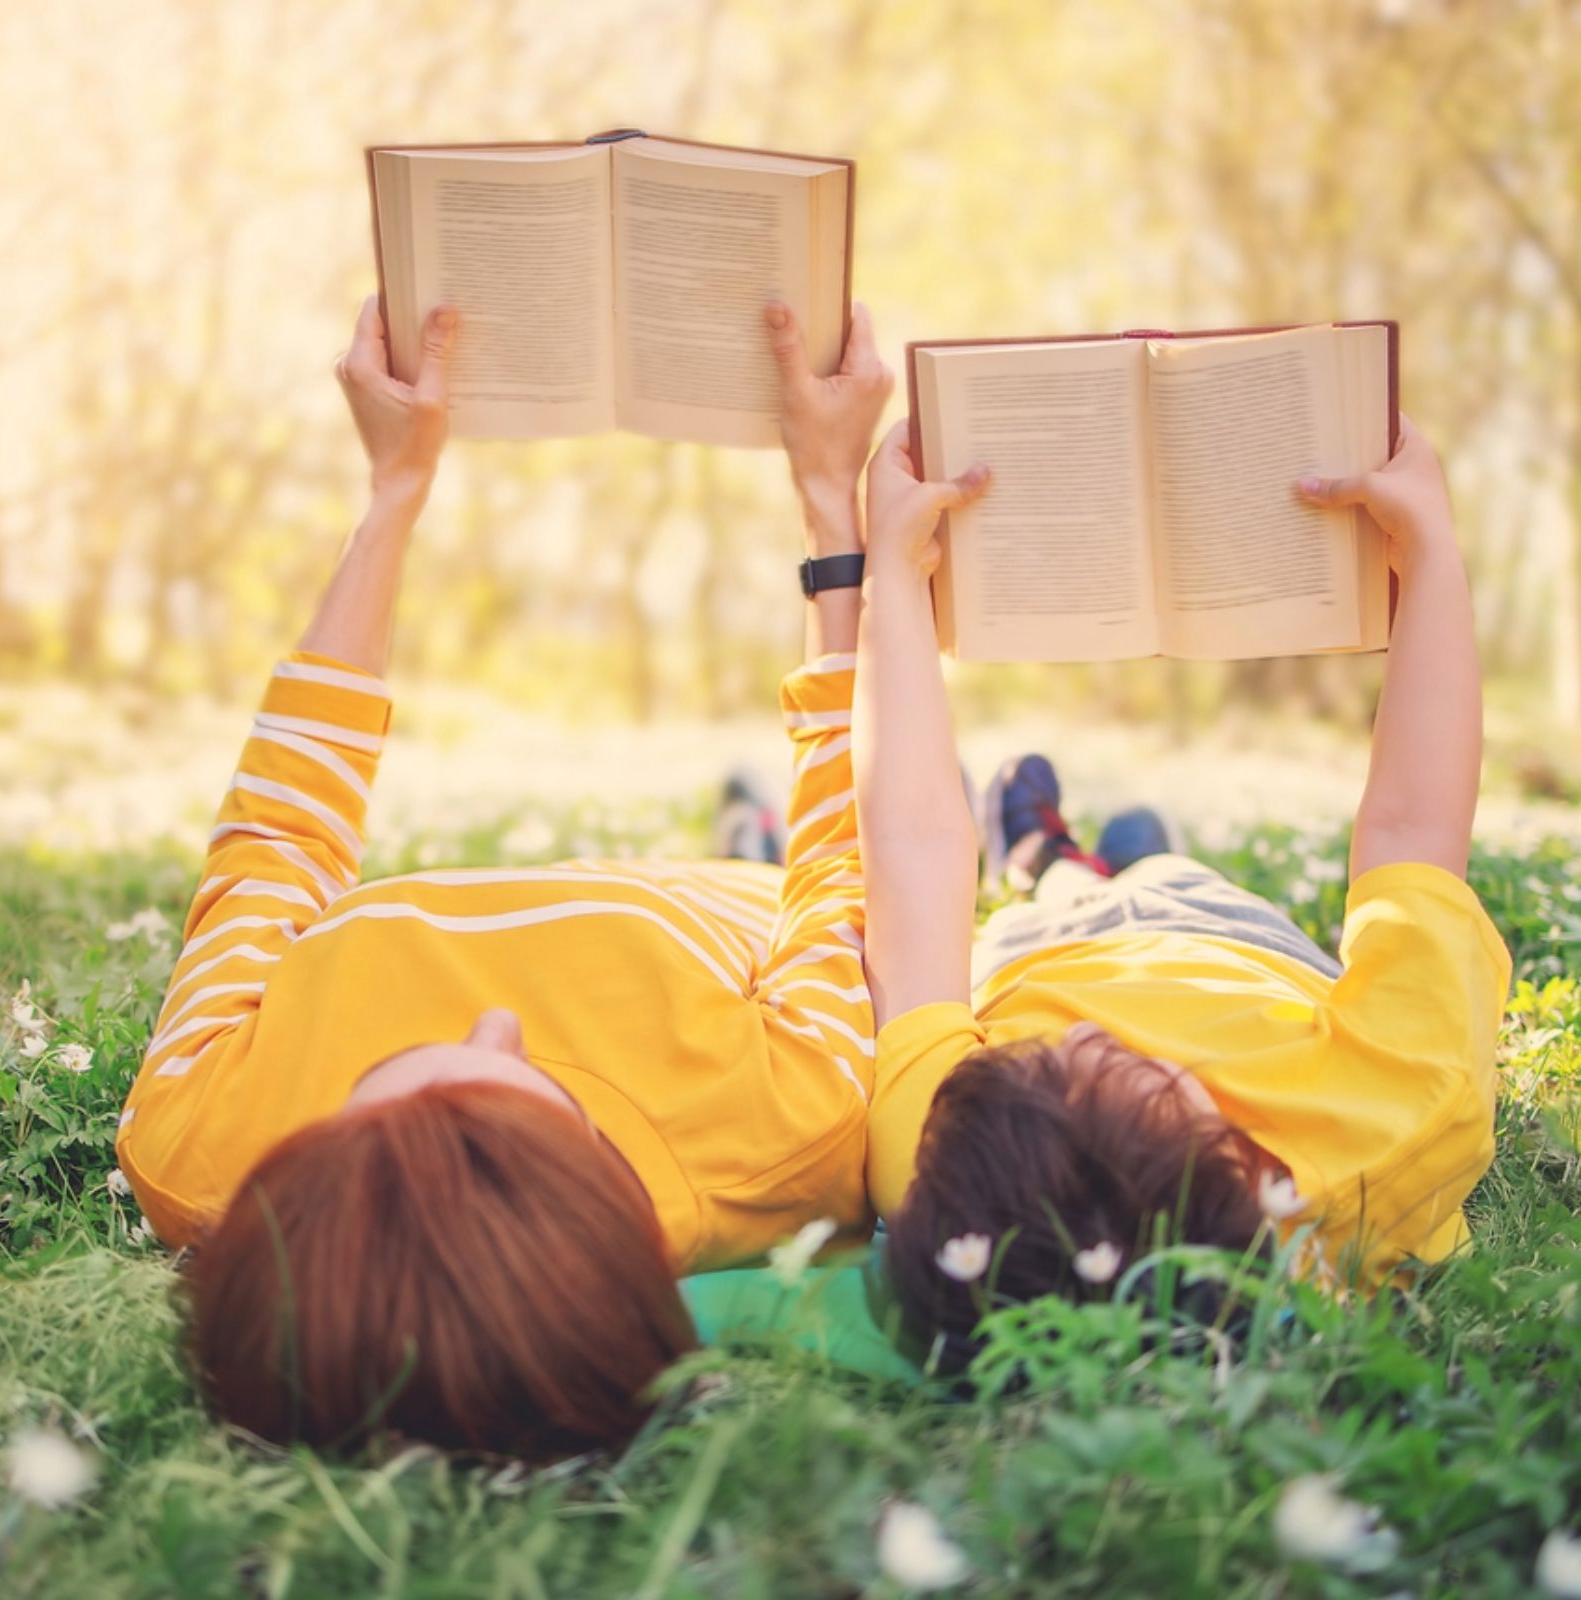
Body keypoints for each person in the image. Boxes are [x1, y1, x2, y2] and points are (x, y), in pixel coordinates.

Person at [115, 293, 894, 1458]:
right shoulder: (790, 1133)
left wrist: (393, 491)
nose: (497, 1017)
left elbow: (278, 840)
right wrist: (832, 500)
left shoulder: (196, 1141)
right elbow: (847, 857)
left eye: (389, 1080)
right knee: (795, 854)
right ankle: (774, 834)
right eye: (549, 1097)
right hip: (738, 920)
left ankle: (738, 823)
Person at [853, 414, 1512, 1368]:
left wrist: (893, 580)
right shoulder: (1404, 1115)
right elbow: (1414, 827)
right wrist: (1431, 556)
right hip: (1231, 951)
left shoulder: (945, 1166)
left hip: (1036, 959)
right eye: (1123, 1066)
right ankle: (1116, 860)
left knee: (1051, 914)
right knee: (1171, 873)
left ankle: (1052, 864)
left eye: (1041, 1057)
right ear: (1238, 1159)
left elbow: (911, 845)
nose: (1090, 1029)